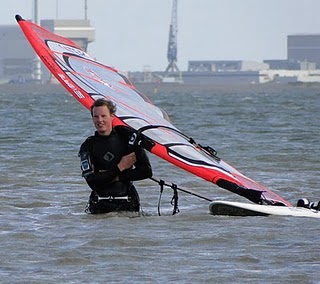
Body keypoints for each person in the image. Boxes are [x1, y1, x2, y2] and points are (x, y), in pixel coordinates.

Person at [78, 98, 153, 214]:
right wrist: (120, 167)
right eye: (96, 117)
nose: (100, 120)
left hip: (128, 203)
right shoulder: (88, 146)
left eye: (103, 116)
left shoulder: (128, 139)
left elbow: (146, 171)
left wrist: (112, 176)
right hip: (100, 205)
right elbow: (92, 182)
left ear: (112, 116)